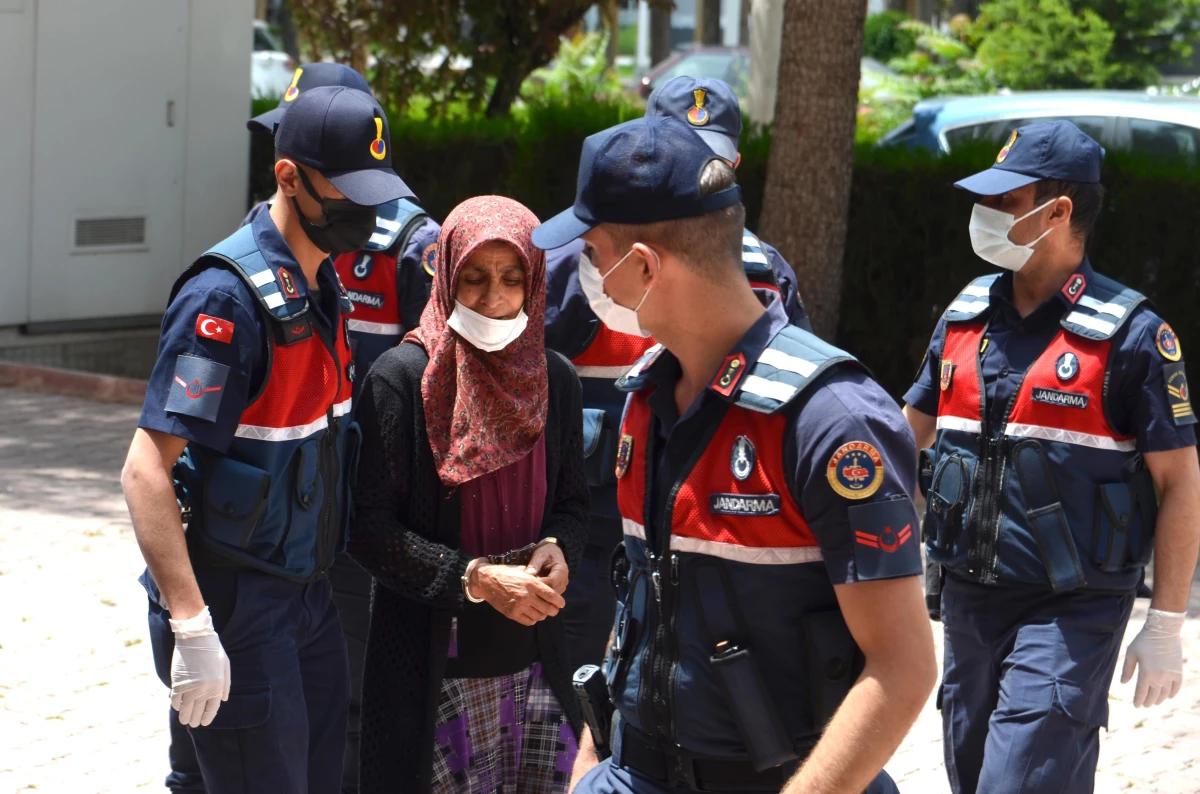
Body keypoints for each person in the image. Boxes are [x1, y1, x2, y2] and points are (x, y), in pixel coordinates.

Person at [533, 115, 937, 794]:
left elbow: (903, 668)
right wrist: (589, 772)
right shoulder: (645, 401)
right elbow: (636, 608)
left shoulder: (830, 419)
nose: (587, 274)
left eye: (593, 253)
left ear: (644, 266)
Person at [121, 85, 414, 794]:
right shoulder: (227, 300)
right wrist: (192, 624)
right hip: (237, 604)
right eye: (348, 191)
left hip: (307, 597)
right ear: (289, 176)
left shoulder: (321, 282)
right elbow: (143, 471)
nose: (367, 212)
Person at [903, 120, 1200, 794]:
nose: (987, 215)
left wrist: (1165, 622)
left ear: (1058, 212)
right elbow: (903, 438)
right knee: (975, 774)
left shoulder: (1132, 336)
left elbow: (1181, 482)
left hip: (1073, 608)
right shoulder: (963, 318)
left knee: (1018, 780)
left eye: (1006, 201)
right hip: (969, 602)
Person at [543, 75, 811, 674]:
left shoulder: (764, 275)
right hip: (589, 520)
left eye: (707, 160)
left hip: (709, 519)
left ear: (734, 165)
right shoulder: (571, 263)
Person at [240, 61, 440, 794]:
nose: (277, 168)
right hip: (289, 515)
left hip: (364, 511)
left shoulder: (412, 243)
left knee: (346, 706)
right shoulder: (273, 238)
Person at [347, 195, 590, 794]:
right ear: (446, 273)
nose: (492, 297)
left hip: (533, 665)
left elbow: (572, 503)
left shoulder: (555, 379)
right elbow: (368, 530)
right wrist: (475, 578)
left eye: (512, 279)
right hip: (433, 672)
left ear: (535, 284)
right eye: (474, 277)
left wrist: (560, 547)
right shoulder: (401, 380)